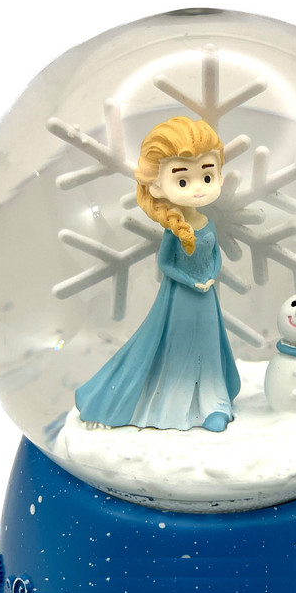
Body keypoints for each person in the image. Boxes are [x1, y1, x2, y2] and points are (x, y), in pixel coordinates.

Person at [75, 116, 240, 432]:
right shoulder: (174, 230)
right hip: (180, 299)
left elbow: (215, 257)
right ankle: (173, 404)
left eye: (207, 176)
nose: (198, 188)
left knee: (208, 348)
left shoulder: (208, 224)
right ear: (157, 185)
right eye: (183, 181)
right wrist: (191, 281)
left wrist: (211, 276)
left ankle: (214, 403)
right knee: (177, 348)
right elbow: (165, 264)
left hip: (206, 299)